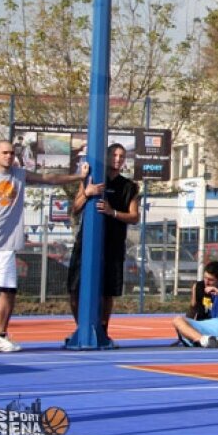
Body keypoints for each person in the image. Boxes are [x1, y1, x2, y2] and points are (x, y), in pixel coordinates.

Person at [0, 141, 101, 354]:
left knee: (8, 290)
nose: (8, 156)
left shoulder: (19, 174)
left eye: (12, 153)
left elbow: (49, 179)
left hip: (6, 244)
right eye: (4, 152)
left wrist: (79, 176)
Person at [67, 143, 141, 340]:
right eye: (114, 155)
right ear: (106, 156)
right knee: (75, 290)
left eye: (121, 156)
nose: (118, 159)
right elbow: (74, 208)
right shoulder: (91, 179)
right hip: (87, 243)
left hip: (113, 244)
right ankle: (82, 328)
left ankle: (102, 330)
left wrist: (112, 212)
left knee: (107, 292)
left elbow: (134, 217)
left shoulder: (129, 186)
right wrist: (87, 193)